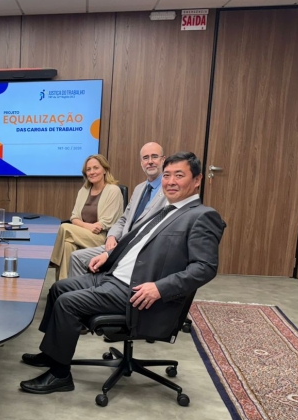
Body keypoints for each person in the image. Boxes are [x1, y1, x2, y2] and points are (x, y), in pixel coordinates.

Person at [19, 152, 226, 394]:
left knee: (67, 303)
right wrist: (108, 256)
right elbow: (132, 240)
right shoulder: (166, 210)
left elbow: (205, 268)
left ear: (197, 180)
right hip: (114, 277)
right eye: (167, 175)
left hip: (137, 290)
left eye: (179, 175)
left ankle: (60, 375)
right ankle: (51, 354)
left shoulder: (201, 216)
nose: (170, 181)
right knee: (58, 288)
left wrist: (159, 288)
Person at [68, 142, 169, 278]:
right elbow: (124, 219)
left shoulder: (170, 189)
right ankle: (76, 297)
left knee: (64, 230)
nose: (150, 162)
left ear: (163, 160)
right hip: (119, 242)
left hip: (140, 248)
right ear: (141, 163)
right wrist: (112, 236)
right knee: (75, 255)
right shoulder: (139, 189)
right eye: (145, 158)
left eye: (154, 157)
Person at [50, 154, 123, 280]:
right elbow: (74, 217)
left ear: (105, 170)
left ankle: (51, 261)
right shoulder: (84, 190)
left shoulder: (113, 190)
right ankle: (64, 286)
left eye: (96, 168)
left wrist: (87, 226)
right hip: (84, 234)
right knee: (67, 244)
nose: (92, 172)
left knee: (64, 227)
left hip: (102, 238)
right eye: (88, 169)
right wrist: (87, 226)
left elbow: (104, 224)